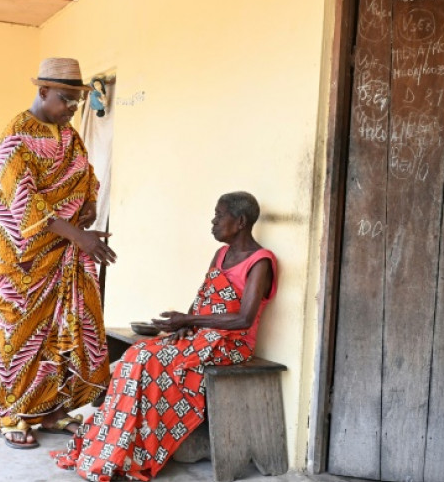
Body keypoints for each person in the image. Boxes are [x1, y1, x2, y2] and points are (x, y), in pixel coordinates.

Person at [53, 191, 278, 482]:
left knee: (150, 360)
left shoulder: (261, 261)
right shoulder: (221, 254)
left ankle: (135, 452)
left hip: (231, 345)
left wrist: (190, 319)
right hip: (202, 336)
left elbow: (243, 319)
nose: (213, 221)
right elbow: (204, 300)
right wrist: (182, 323)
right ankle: (115, 447)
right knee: (135, 355)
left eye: (219, 215)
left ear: (241, 221)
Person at [0, 57, 118, 450]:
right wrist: (79, 236)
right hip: (25, 261)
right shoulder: (15, 138)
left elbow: (87, 176)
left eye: (77, 102)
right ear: (43, 91)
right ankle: (11, 414)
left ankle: (48, 412)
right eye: (66, 99)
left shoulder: (69, 135)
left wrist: (89, 204)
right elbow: (24, 202)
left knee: (61, 334)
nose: (72, 109)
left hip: (66, 253)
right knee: (22, 336)